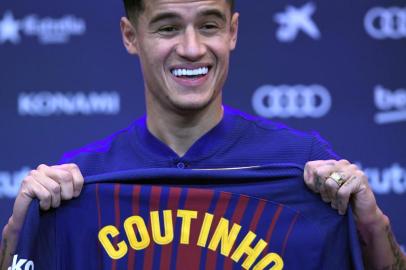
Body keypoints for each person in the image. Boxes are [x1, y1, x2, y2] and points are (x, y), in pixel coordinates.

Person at [1, 0, 405, 269]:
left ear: (232, 32)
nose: (192, 49)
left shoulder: (303, 167)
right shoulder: (79, 185)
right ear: (130, 36)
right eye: (168, 28)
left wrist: (370, 223)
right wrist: (21, 229)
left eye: (208, 25)